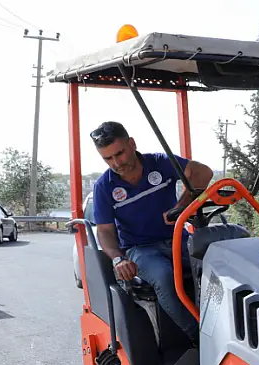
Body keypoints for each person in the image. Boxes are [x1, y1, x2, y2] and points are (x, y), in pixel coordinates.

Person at [89, 121, 213, 340]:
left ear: (132, 144)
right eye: (108, 158)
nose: (117, 163)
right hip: (139, 250)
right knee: (164, 276)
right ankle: (200, 339)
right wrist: (119, 259)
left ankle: (223, 326)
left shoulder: (159, 162)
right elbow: (105, 232)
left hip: (177, 240)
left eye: (120, 153)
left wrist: (180, 207)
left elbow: (202, 173)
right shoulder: (104, 187)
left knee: (217, 263)